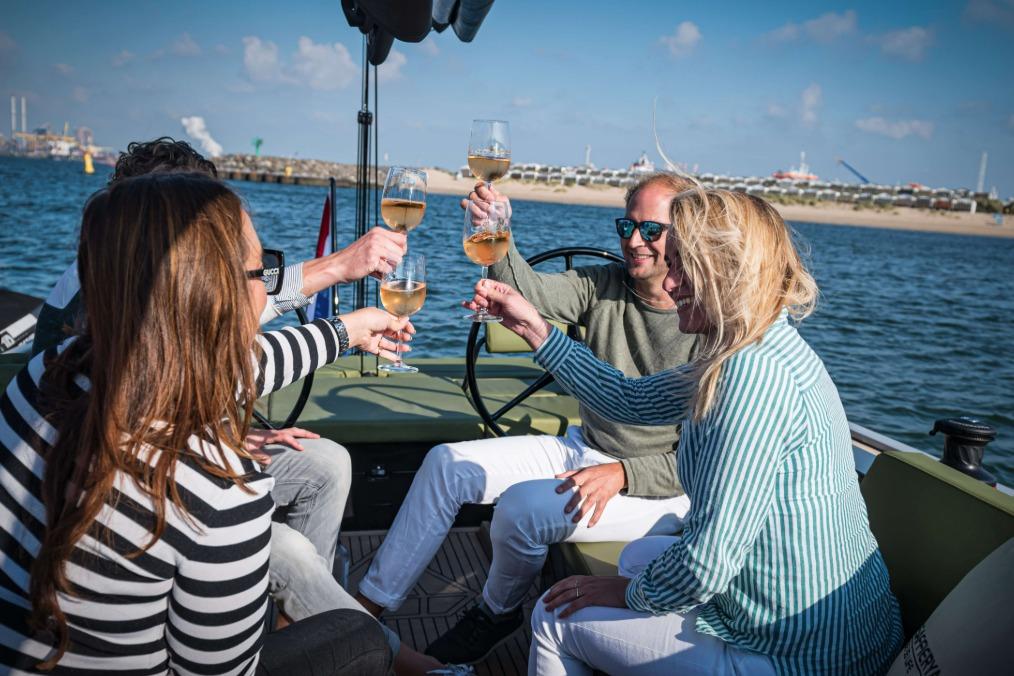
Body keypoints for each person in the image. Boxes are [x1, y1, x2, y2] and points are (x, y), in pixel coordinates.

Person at [466, 187, 905, 675]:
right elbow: (627, 399)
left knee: (553, 614)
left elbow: (708, 563)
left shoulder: (751, 375)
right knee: (638, 555)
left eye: (679, 264)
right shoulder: (750, 341)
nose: (668, 283)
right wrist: (535, 330)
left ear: (725, 269)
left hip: (800, 652)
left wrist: (628, 594)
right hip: (830, 618)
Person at [0, 172, 408, 673]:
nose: (267, 295)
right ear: (211, 298)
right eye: (263, 274)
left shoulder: (47, 374)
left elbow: (230, 367)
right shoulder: (220, 492)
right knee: (360, 638)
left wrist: (346, 331)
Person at [355, 173, 699, 665]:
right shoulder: (603, 285)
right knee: (446, 463)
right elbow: (530, 291)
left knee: (520, 510)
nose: (634, 240)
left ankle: (495, 613)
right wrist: (500, 232)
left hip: (658, 488)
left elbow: (706, 458)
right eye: (627, 225)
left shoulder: (705, 321)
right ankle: (368, 609)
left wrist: (625, 472)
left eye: (652, 230)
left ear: (687, 233)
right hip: (586, 445)